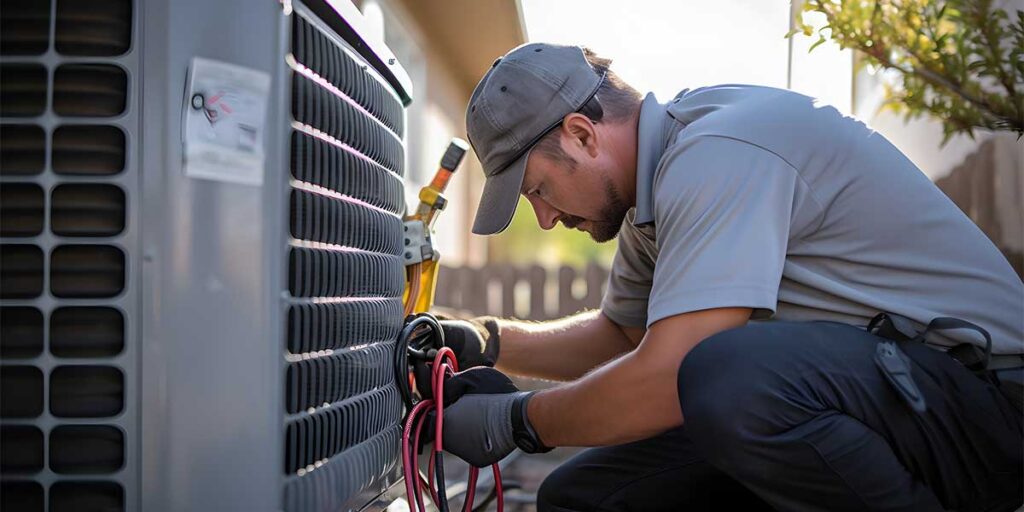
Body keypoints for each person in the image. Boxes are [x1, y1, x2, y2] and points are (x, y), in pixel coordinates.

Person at [435, 42, 1024, 511]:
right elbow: (623, 337)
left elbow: (667, 378)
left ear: (582, 135)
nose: (544, 217)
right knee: (585, 497)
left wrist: (517, 421)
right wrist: (485, 341)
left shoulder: (719, 151)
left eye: (537, 189)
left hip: (987, 406)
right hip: (886, 403)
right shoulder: (653, 192)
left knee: (727, 375)